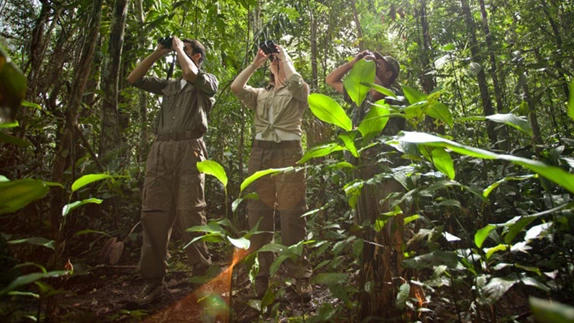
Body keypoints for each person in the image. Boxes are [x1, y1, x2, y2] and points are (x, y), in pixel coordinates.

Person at [127, 36, 218, 305]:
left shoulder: (206, 80)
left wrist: (180, 49)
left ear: (197, 56)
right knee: (154, 212)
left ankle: (202, 279)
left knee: (191, 212)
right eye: (180, 51)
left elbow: (190, 73)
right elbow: (133, 78)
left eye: (188, 51)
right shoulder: (169, 85)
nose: (178, 55)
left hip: (190, 149)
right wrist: (158, 52)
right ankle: (154, 283)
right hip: (161, 151)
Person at [230, 43, 312, 301]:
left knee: (292, 214)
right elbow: (235, 88)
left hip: (289, 153)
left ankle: (299, 275)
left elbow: (297, 82)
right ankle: (263, 276)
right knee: (259, 213)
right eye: (273, 62)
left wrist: (285, 56)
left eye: (278, 60)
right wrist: (256, 63)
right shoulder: (260, 94)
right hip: (260, 154)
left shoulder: (298, 91)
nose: (275, 62)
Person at [325, 49, 404, 318]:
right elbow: (330, 80)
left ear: (388, 73)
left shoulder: (392, 93)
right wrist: (353, 63)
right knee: (364, 225)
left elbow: (379, 93)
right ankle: (368, 282)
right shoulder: (359, 95)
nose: (372, 66)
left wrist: (370, 65)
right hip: (360, 171)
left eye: (379, 65)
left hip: (384, 171)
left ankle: (391, 284)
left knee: (386, 226)